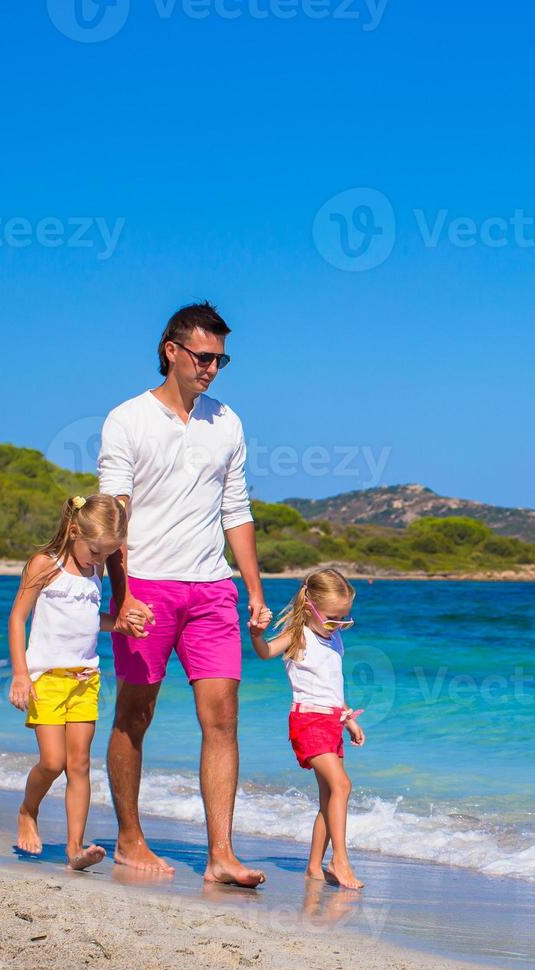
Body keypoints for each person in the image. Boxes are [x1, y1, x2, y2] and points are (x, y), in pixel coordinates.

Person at [98, 301, 272, 886]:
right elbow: (115, 514)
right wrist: (120, 597)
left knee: (222, 717)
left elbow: (236, 508)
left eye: (222, 359)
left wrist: (252, 588)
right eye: (204, 356)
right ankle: (128, 838)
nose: (213, 368)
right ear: (171, 351)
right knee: (135, 713)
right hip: (144, 584)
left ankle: (221, 854)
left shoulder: (228, 421)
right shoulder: (126, 420)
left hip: (212, 589)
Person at [6, 493, 144, 870]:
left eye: (107, 555)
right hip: (46, 678)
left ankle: (74, 848)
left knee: (79, 763)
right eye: (96, 552)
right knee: (52, 762)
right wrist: (20, 673)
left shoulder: (94, 572)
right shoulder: (44, 565)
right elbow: (18, 618)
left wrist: (117, 625)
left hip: (85, 678)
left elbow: (86, 617)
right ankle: (27, 810)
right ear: (73, 531)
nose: (101, 561)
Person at [250, 568, 366, 889]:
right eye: (332, 619)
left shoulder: (334, 639)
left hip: (332, 722)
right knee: (342, 786)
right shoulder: (298, 635)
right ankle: (340, 861)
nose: (338, 626)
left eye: (344, 620)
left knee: (330, 795)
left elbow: (332, 688)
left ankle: (314, 867)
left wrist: (349, 720)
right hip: (308, 721)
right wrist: (257, 634)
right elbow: (265, 652)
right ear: (310, 606)